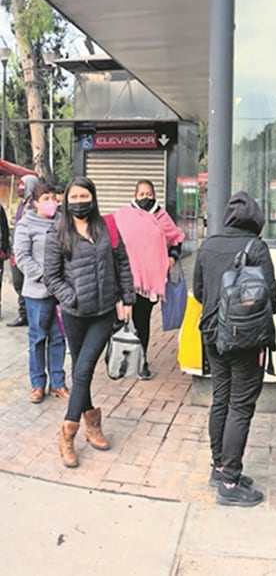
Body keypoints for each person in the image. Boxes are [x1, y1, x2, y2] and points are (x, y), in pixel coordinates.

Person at [194, 191, 276, 507]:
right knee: (240, 406)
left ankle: (219, 468)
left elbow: (200, 291)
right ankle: (230, 481)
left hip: (212, 334)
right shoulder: (256, 247)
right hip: (245, 339)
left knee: (221, 398)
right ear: (256, 218)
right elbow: (271, 296)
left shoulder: (208, 244)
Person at [43, 177, 135, 468]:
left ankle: (67, 434)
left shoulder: (107, 226)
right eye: (75, 196)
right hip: (74, 313)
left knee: (83, 370)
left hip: (104, 312)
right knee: (81, 371)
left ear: (93, 199)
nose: (80, 201)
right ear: (66, 200)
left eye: (85, 196)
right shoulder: (57, 232)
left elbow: (122, 262)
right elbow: (51, 277)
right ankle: (92, 423)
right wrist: (71, 297)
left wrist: (128, 298)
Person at [113, 179, 185, 380]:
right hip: (125, 278)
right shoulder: (124, 216)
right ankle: (119, 360)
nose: (146, 197)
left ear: (154, 195)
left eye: (149, 194)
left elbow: (176, 239)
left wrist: (172, 256)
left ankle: (142, 361)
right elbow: (112, 241)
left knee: (141, 323)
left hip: (149, 282)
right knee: (121, 322)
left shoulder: (162, 216)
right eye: (142, 193)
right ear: (135, 195)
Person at [15, 182, 67, 404]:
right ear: (35, 202)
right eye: (45, 199)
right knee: (37, 338)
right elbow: (22, 256)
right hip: (38, 293)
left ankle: (58, 382)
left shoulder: (62, 222)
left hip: (60, 292)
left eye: (53, 198)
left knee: (58, 337)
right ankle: (37, 384)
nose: (51, 203)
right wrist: (45, 277)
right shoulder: (26, 224)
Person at [9, 174, 40, 327]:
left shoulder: (35, 206)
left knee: (27, 284)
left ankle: (28, 315)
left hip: (30, 253)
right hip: (17, 250)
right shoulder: (22, 203)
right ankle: (24, 313)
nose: (19, 188)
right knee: (18, 283)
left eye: (22, 185)